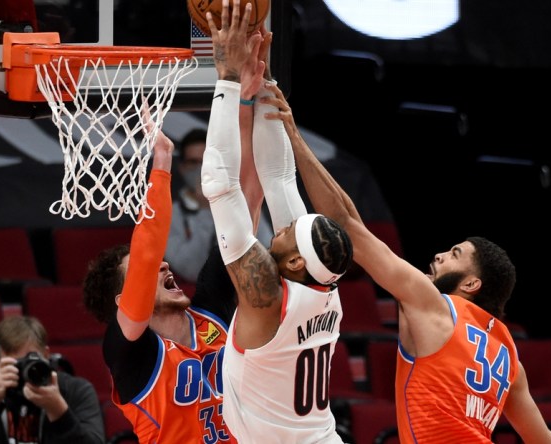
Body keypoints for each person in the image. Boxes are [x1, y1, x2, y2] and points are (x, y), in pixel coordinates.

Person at [262, 80, 551, 443]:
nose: (438, 255)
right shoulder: (510, 356)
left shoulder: (435, 304)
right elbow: (544, 438)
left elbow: (350, 226)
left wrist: (294, 136)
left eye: (455, 256)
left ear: (471, 284)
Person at [81, 73, 267, 442]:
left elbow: (245, 205)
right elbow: (149, 248)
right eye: (144, 271)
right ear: (124, 300)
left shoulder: (211, 309)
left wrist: (245, 104)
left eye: (158, 264)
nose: (162, 264)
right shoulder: (129, 352)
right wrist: (161, 166)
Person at [200, 2, 354, 442]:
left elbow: (220, 183)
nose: (280, 226)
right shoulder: (314, 276)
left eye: (287, 233)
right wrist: (260, 84)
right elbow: (279, 177)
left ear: (291, 264)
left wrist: (228, 80)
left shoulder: (269, 294)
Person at [0, 315, 104, 444]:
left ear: (46, 355)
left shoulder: (76, 391)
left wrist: (58, 410)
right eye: (16, 364)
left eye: (30, 361)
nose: (24, 371)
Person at [165, 127, 273, 283]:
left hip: (244, 290)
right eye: (193, 162)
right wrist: (205, 209)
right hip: (197, 300)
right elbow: (191, 270)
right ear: (182, 168)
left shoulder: (240, 202)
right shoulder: (171, 214)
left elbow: (267, 251)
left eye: (204, 162)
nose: (200, 169)